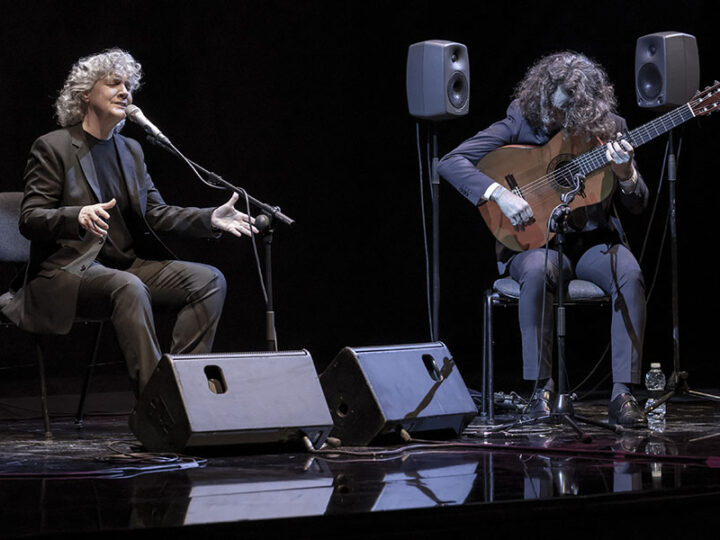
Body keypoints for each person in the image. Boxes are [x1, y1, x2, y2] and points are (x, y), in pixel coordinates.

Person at [1, 48, 257, 396]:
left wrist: (208, 218)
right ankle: (157, 404)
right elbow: (30, 219)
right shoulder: (53, 147)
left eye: (128, 84)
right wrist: (77, 215)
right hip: (69, 272)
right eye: (113, 83)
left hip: (126, 267)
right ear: (85, 94)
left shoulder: (130, 151)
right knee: (128, 287)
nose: (125, 91)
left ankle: (182, 394)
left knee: (208, 280)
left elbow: (156, 213)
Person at [438, 51, 649, 427]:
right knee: (538, 271)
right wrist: (498, 194)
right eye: (553, 108)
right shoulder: (522, 117)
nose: (555, 118)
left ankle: (623, 394)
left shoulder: (610, 126)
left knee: (629, 273)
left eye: (566, 112)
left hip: (592, 242)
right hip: (533, 242)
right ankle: (542, 390)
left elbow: (638, 203)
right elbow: (450, 162)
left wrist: (627, 172)